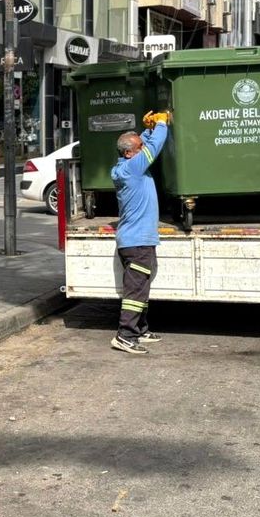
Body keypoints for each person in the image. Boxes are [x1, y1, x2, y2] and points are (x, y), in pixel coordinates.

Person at [109, 110, 170, 355]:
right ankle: (125, 335)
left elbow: (144, 145)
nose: (142, 148)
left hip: (137, 240)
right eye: (139, 146)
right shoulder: (132, 169)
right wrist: (162, 124)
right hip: (137, 243)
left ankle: (140, 329)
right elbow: (152, 148)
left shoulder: (128, 166)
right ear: (128, 153)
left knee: (141, 286)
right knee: (135, 290)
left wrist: (147, 128)